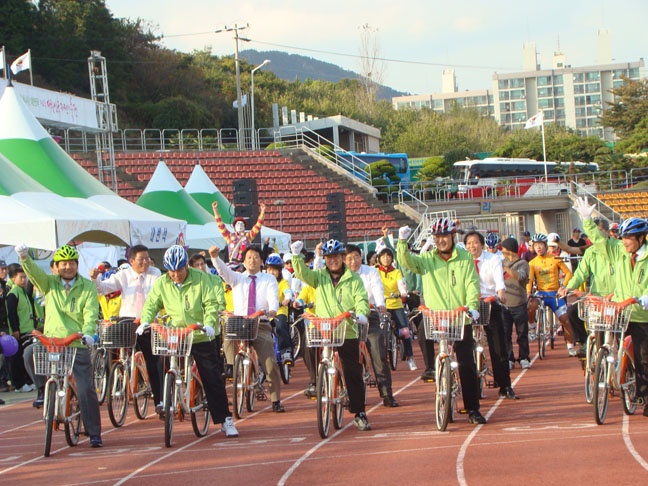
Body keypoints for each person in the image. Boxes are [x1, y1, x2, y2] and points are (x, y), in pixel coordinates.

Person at [139, 245, 239, 436]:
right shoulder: (162, 283)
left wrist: (209, 323)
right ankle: (165, 400)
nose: (175, 274)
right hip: (176, 334)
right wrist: (145, 321)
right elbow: (151, 304)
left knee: (212, 376)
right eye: (171, 271)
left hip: (200, 333)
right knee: (162, 363)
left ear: (186, 266)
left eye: (179, 270)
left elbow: (210, 304)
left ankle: (225, 419)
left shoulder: (201, 279)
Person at [397, 219, 487, 425]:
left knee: (466, 362)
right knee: (421, 329)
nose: (440, 241)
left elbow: (472, 283)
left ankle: (473, 408)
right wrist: (402, 242)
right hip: (436, 317)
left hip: (459, 316)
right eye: (437, 237)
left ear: (452, 236)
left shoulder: (464, 257)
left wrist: (472, 307)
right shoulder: (427, 258)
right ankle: (430, 367)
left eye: (444, 236)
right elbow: (407, 262)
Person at [16, 243, 103, 447]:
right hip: (52, 343)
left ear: (76, 264)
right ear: (56, 266)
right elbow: (35, 273)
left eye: (71, 263)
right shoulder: (49, 283)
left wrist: (88, 334)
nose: (67, 267)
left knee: (85, 389)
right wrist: (24, 258)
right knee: (29, 352)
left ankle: (94, 433)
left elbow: (91, 313)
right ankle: (41, 390)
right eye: (63, 263)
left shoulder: (87, 286)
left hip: (76, 343)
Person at [573, 197, 648, 417]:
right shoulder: (619, 251)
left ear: (641, 238)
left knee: (644, 358)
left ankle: (643, 393)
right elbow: (600, 241)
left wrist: (638, 299)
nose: (624, 242)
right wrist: (586, 219)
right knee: (608, 339)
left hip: (642, 314)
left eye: (629, 238)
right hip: (620, 311)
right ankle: (609, 368)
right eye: (622, 237)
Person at [291, 239, 372, 430]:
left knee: (353, 371)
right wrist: (296, 257)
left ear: (342, 257)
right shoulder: (319, 277)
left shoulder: (354, 279)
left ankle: (360, 413)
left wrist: (360, 313)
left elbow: (361, 299)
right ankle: (316, 382)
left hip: (347, 330)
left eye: (336, 256)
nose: (332, 260)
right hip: (324, 330)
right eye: (328, 257)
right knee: (311, 350)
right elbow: (304, 274)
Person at [90, 244, 165, 416]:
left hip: (147, 321)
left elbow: (157, 295)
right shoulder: (123, 275)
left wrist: (149, 318)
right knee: (112, 348)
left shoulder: (155, 274)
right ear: (131, 261)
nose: (145, 262)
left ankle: (160, 401)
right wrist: (95, 278)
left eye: (147, 258)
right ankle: (116, 377)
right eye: (141, 259)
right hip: (128, 319)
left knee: (154, 361)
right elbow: (102, 289)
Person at [210, 245, 285, 413]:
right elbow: (223, 271)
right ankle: (230, 365)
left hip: (260, 324)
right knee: (228, 335)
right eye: (249, 257)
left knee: (270, 364)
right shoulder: (237, 278)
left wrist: (272, 309)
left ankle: (275, 400)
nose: (252, 260)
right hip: (240, 323)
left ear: (262, 261)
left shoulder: (268, 279)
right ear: (244, 261)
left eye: (256, 257)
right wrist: (215, 258)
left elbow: (273, 298)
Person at [464, 231, 518, 399]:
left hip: (488, 302)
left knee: (498, 344)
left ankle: (504, 385)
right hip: (468, 305)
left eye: (475, 242)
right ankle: (469, 386)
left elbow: (499, 280)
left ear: (482, 244)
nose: (472, 246)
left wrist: (500, 292)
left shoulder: (493, 259)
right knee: (463, 345)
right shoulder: (462, 260)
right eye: (468, 243)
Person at [345, 244, 399, 407]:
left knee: (378, 351)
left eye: (355, 257)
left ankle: (386, 393)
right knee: (345, 357)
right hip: (348, 319)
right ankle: (348, 393)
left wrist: (381, 304)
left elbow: (377, 288)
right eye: (348, 258)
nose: (352, 261)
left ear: (361, 257)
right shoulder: (340, 275)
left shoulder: (371, 272)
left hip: (370, 315)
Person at [558, 218, 615, 350]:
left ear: (607, 232)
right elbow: (580, 273)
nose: (596, 235)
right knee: (572, 311)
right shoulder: (590, 252)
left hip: (615, 298)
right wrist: (568, 287)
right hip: (596, 298)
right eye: (592, 232)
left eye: (599, 231)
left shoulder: (617, 248)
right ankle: (584, 342)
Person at [526, 234, 577, 356]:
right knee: (531, 306)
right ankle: (532, 326)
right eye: (536, 246)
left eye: (540, 245)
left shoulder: (556, 259)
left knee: (565, 320)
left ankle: (570, 346)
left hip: (555, 294)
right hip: (541, 293)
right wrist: (528, 292)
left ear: (545, 246)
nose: (538, 248)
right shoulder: (532, 263)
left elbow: (569, 274)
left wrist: (563, 286)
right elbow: (530, 279)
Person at [376, 247, 417, 371]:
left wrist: (403, 292)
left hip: (396, 304)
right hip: (382, 305)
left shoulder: (396, 272)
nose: (386, 259)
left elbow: (400, 283)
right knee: (377, 331)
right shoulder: (376, 271)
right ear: (379, 259)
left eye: (388, 256)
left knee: (404, 331)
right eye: (383, 256)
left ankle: (409, 357)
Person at [500, 238, 531, 369]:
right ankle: (509, 358)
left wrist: (505, 268)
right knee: (505, 333)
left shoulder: (523, 264)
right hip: (504, 304)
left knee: (522, 332)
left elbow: (519, 276)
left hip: (519, 303)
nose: (502, 252)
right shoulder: (501, 262)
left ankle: (524, 357)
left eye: (504, 249)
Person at [5, 265, 36, 393]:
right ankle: (19, 384)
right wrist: (15, 329)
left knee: (27, 357)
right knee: (17, 359)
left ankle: (28, 381)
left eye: (25, 277)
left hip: (28, 330)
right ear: (13, 279)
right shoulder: (13, 294)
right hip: (19, 332)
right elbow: (11, 313)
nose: (24, 280)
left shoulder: (24, 292)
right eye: (21, 277)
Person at [264, 254, 293, 363]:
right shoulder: (264, 282)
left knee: (280, 327)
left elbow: (288, 292)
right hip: (267, 313)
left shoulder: (283, 282)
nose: (271, 272)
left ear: (280, 271)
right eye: (269, 269)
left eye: (274, 270)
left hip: (279, 311)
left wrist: (287, 299)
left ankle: (286, 351)